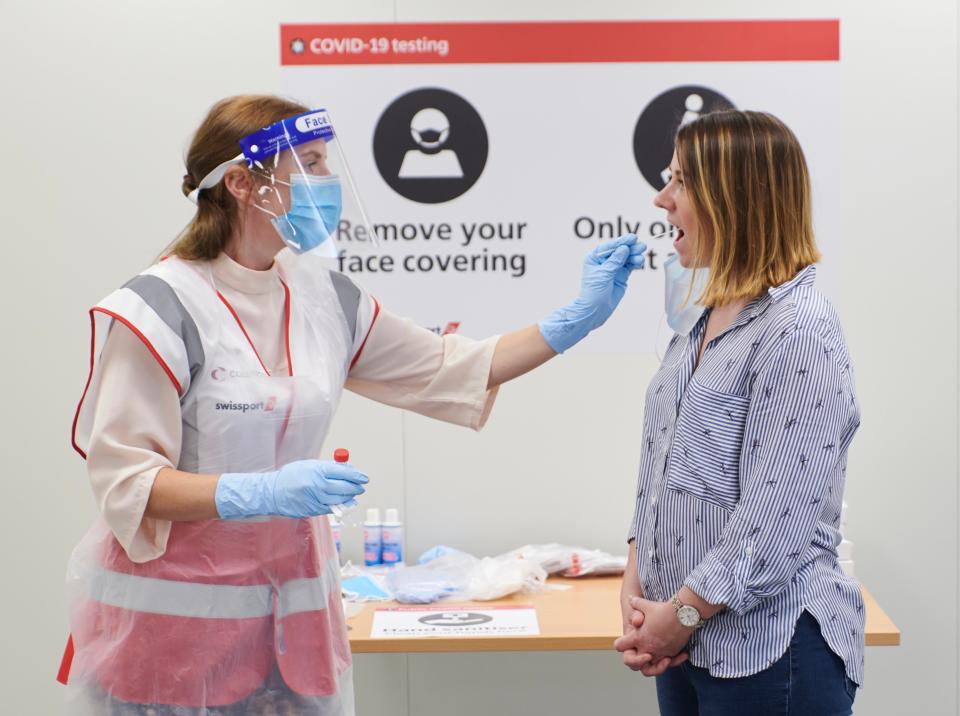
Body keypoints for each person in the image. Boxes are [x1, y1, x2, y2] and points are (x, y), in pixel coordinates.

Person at [59, 95, 646, 715]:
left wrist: (575, 319)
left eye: (324, 162)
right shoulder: (158, 309)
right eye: (308, 164)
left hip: (291, 624)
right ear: (240, 182)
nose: (326, 181)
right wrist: (254, 494)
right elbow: (128, 483)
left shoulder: (322, 295)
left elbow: (453, 369)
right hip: (171, 634)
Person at [614, 110, 862, 715]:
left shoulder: (797, 329)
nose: (662, 199)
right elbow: (663, 469)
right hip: (687, 636)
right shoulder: (704, 321)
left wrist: (685, 610)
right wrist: (636, 579)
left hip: (770, 648)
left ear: (734, 199)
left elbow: (776, 514)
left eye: (681, 182)